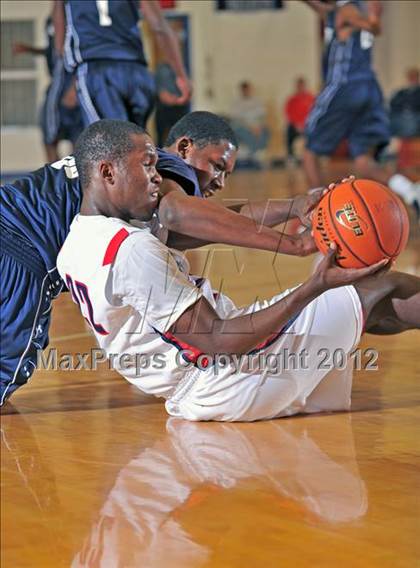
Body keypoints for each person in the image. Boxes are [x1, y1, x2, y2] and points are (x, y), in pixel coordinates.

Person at [57, 120, 420, 422]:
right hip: (230, 376)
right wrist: (315, 285)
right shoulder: (133, 249)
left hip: (199, 385)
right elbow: (218, 340)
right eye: (147, 165)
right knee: (377, 287)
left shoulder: (79, 242)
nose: (157, 177)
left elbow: (211, 222)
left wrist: (293, 208)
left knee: (365, 309)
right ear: (107, 171)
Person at [0, 113, 323, 406]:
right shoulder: (167, 166)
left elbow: (212, 221)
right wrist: (292, 244)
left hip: (9, 223)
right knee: (8, 372)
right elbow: (177, 213)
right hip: (21, 249)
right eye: (217, 165)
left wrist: (292, 207)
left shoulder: (133, 172)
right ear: (184, 147)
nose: (220, 182)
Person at [301, 0, 420, 214]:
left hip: (344, 85)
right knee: (364, 162)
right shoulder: (336, 12)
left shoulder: (347, 8)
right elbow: (319, 7)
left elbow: (367, 24)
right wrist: (371, 20)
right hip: (369, 89)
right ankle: (411, 191)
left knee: (309, 152)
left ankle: (317, 212)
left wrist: (370, 22)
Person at [52, 0, 191, 128]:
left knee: (107, 144)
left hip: (96, 67)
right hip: (136, 69)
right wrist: (180, 75)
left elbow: (59, 36)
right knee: (137, 143)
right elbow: (159, 26)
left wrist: (66, 71)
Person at [13, 16, 83, 162]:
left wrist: (75, 85)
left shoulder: (76, 13)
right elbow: (53, 50)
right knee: (48, 135)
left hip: (72, 83)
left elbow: (84, 50)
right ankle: (56, 180)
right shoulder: (50, 20)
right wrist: (30, 50)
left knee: (78, 136)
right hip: (56, 86)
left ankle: (78, 179)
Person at [230, 81, 270, 167]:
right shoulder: (237, 103)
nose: (246, 91)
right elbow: (236, 119)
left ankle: (257, 153)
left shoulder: (257, 101)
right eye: (244, 90)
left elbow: (262, 117)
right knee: (238, 130)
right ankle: (255, 151)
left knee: (266, 130)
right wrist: (250, 127)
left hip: (257, 126)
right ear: (241, 90)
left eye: (248, 89)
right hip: (243, 127)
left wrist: (259, 126)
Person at [284, 77, 315, 161]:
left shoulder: (311, 98)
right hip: (296, 126)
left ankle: (313, 156)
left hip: (308, 125)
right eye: (298, 86)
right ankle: (290, 156)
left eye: (302, 86)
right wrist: (296, 124)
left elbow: (314, 113)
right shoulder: (292, 99)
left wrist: (306, 124)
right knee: (288, 130)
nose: (300, 87)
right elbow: (289, 114)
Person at [389, 67, 420, 139]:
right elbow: (393, 103)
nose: (412, 79)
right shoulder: (401, 92)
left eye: (414, 77)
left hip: (415, 115)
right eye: (410, 77)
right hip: (400, 115)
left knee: (410, 123)